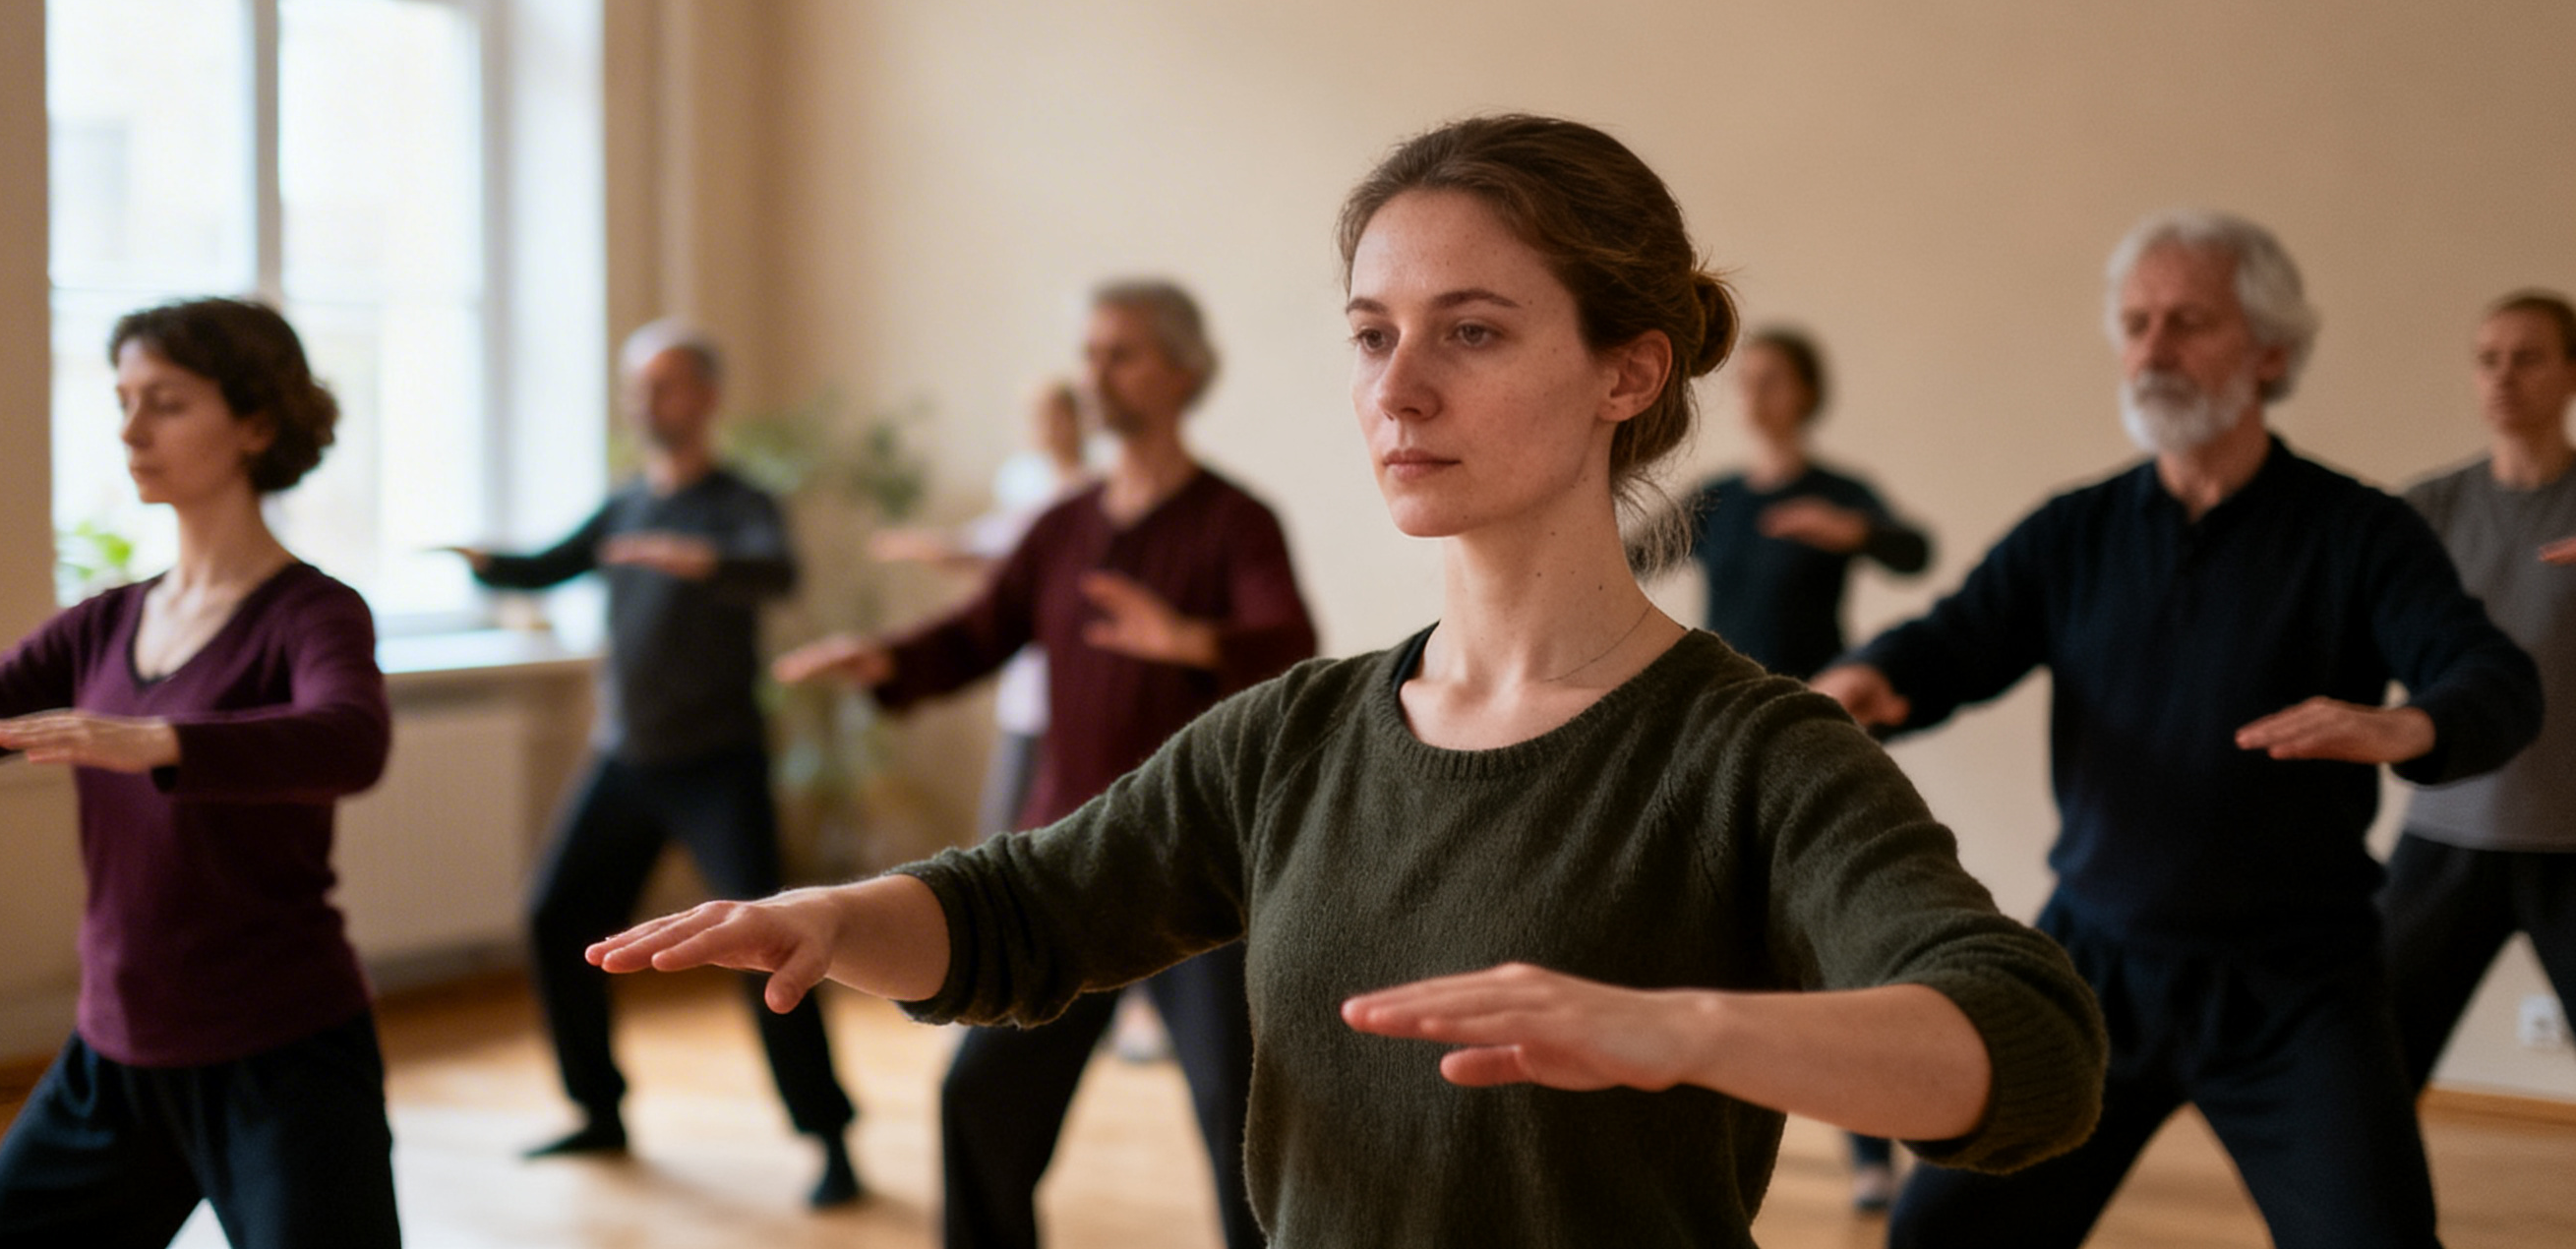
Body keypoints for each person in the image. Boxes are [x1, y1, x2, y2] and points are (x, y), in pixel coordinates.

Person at [597, 115, 2109, 1246]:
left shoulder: (1752, 756)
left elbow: (2030, 1046)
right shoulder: (1298, 736)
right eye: (1374, 336)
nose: (1398, 388)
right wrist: (832, 918)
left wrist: (1689, 1030)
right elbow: (1025, 914)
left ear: (1626, 373)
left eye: (1472, 332)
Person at [1813, 211, 2545, 1248]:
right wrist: (1866, 679)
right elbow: (1951, 640)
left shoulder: (2357, 532)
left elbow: (2494, 680)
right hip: (2094, 966)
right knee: (1942, 1234)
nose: (2151, 348)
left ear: (2269, 353)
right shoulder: (2075, 530)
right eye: (2134, 323)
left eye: (2187, 322)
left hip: (2297, 985)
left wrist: (2409, 726)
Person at [0, 297, 398, 1247]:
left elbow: (349, 741)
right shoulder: (106, 623)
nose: (130, 429)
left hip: (281, 1058)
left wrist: (164, 741)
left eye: (165, 402)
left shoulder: (313, 614)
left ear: (256, 421)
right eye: (123, 398)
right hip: (116, 1055)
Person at [774, 279, 1312, 1249]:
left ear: (1183, 373)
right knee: (979, 1100)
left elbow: (1287, 644)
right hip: (1066, 858)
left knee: (1243, 1123)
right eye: (1090, 352)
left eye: (1122, 353)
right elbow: (981, 628)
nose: (1095, 373)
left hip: (1210, 872)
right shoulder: (1063, 524)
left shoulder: (1235, 521)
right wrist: (887, 659)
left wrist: (1186, 638)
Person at [449, 322, 859, 1207]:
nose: (645, 400)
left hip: (718, 764)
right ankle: (598, 1108)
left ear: (706, 397)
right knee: (560, 919)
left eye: (665, 384)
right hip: (626, 761)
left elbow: (776, 570)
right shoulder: (626, 503)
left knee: (769, 945)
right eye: (638, 384)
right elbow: (548, 565)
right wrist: (480, 559)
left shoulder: (738, 500)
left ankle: (829, 1137)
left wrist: (702, 560)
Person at [1690, 325, 1933, 1212]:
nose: (1754, 392)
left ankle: (1872, 1153)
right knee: (1715, 939)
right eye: (1745, 378)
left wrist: (1858, 531)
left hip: (1823, 738)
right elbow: (1619, 555)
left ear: (1804, 392)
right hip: (1724, 742)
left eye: (1772, 378)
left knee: (1839, 939)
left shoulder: (1838, 492)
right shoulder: (1716, 500)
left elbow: (1916, 551)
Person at [2387, 290, 2576, 1093]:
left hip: (2569, 839)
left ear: (2570, 374)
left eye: (2528, 357)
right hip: (2446, 834)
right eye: (2488, 359)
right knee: (2373, 1062)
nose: (2504, 376)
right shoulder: (2427, 511)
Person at [868, 378, 1093, 839]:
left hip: (1079, 685)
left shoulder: (1095, 496)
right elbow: (990, 551)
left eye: (1054, 414)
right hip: (1028, 691)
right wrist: (931, 548)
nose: (1044, 427)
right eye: (1035, 416)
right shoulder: (1025, 490)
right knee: (1005, 827)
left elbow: (1012, 563)